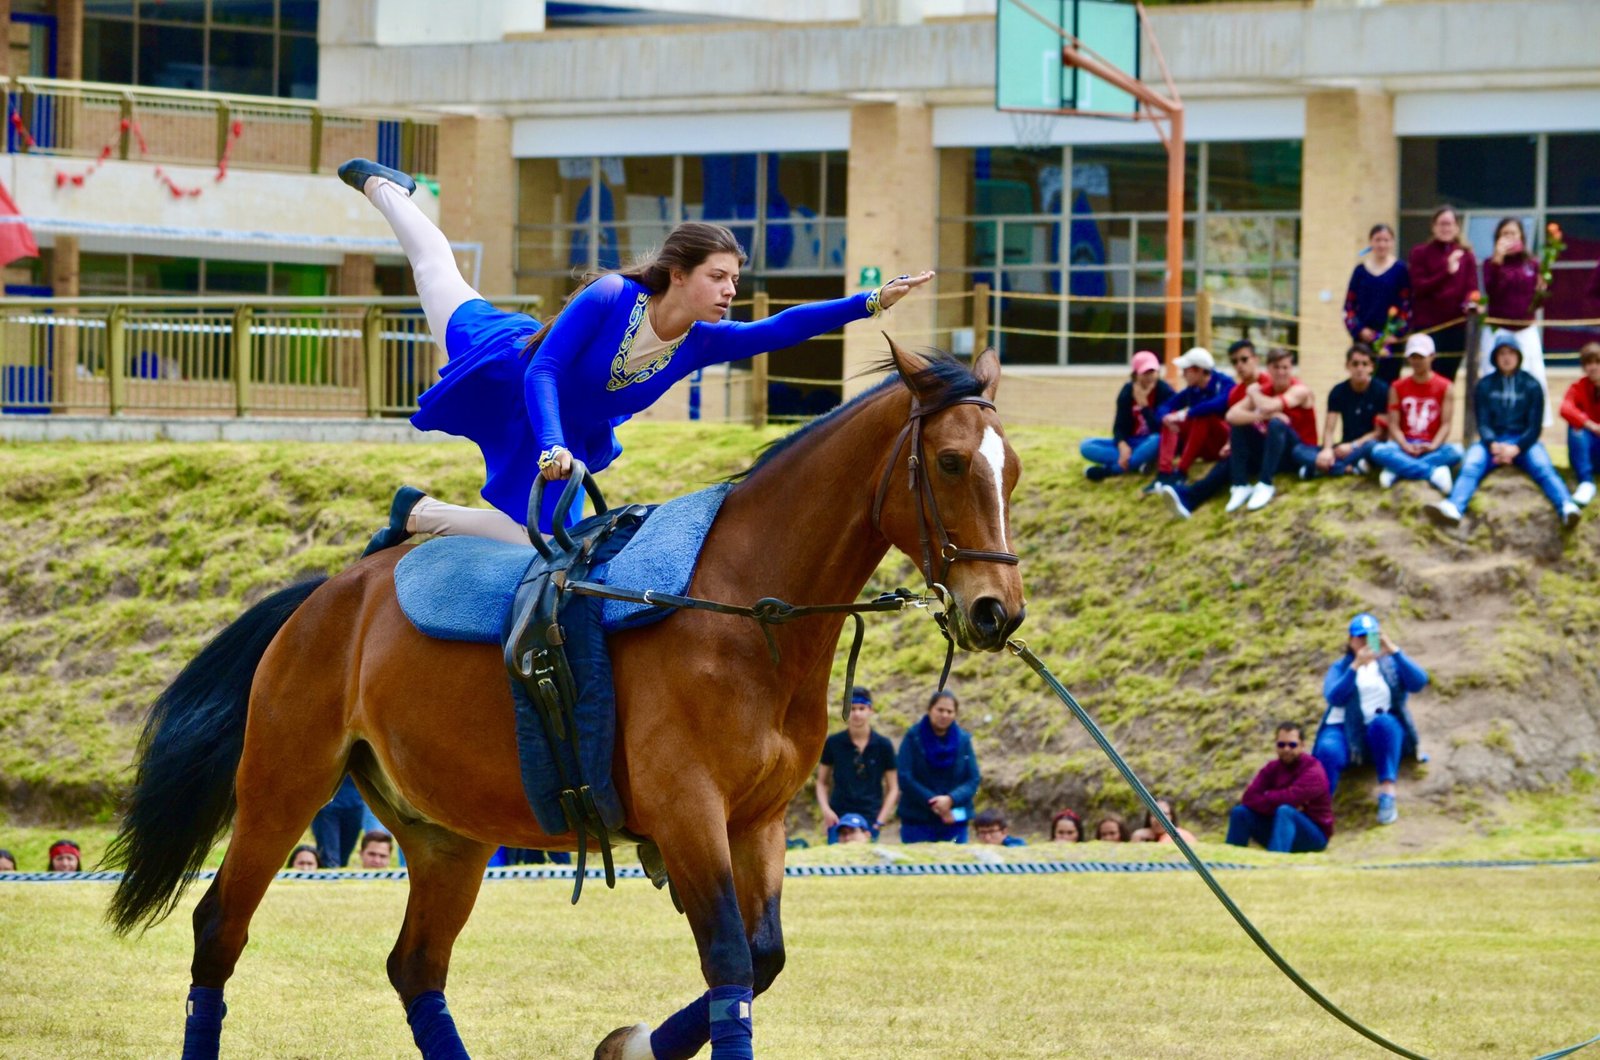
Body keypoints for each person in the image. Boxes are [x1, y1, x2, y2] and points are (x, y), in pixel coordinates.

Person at [338, 157, 933, 545]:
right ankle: (386, 188)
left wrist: (872, 301)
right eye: (719, 277)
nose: (731, 291)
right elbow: (543, 368)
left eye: (735, 280)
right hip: (509, 371)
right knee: (435, 268)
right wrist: (551, 443)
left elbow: (782, 328)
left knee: (550, 543)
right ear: (677, 274)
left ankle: (416, 515)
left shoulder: (699, 343)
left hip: (563, 438)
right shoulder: (610, 295)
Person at [1426, 333, 1580, 529]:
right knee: (1471, 464)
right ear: (1495, 357)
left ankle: (1566, 506)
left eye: (1511, 353)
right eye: (1502, 353)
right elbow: (1482, 422)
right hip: (1492, 442)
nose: (1507, 358)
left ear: (1518, 356)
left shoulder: (1532, 385)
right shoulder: (1484, 385)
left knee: (1543, 467)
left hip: (1524, 442)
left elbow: (1534, 426)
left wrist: (1516, 448)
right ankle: (1454, 507)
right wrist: (1493, 445)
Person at [1313, 613, 1427, 825]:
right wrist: (1355, 667)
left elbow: (1419, 682)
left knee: (1385, 723)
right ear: (1351, 640)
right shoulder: (1341, 667)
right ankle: (1318, 811)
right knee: (1328, 749)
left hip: (1379, 727)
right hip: (1345, 729)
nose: (1366, 642)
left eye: (1371, 637)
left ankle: (1387, 792)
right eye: (1360, 637)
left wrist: (1394, 651)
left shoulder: (1390, 664)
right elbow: (1334, 697)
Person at [1156, 342, 1270, 518]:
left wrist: (1185, 413)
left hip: (1268, 447)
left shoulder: (1240, 384)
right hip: (1237, 447)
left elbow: (1223, 409)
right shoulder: (1235, 391)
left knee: (1207, 421)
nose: (1239, 365)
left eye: (1244, 359)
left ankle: (1182, 478)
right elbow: (1167, 406)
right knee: (1224, 466)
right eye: (1234, 362)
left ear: (1256, 359)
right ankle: (1180, 490)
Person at [1221, 347, 1318, 512]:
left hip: (1300, 452)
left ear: (1291, 369)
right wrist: (1261, 417)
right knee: (1241, 426)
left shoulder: (1300, 389)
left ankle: (1265, 483)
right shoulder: (1265, 389)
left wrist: (1254, 394)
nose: (1281, 372)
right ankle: (1240, 485)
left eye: (1285, 367)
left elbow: (1270, 405)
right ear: (1269, 369)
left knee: (1276, 424)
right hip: (1275, 453)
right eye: (1276, 367)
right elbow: (1231, 415)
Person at [1479, 216, 1550, 427]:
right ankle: (1491, 425)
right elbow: (1492, 291)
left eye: (1513, 234)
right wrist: (1498, 261)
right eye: (1505, 234)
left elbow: (1536, 304)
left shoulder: (1533, 264)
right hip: (1498, 329)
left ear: (1522, 237)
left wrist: (1541, 293)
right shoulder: (1489, 264)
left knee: (1532, 376)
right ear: (1497, 239)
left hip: (1526, 330)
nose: (1509, 238)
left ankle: (1534, 426)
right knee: (1494, 377)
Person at [1369, 333, 1462, 493]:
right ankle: (1432, 473)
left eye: (1421, 356)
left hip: (1431, 444)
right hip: (1404, 443)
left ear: (1432, 357)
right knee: (1378, 450)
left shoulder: (1445, 386)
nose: (1417, 361)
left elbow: (1446, 424)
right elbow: (1393, 424)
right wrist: (1405, 445)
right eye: (1413, 356)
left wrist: (1433, 446)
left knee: (1457, 451)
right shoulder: (1397, 386)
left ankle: (1398, 468)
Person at [1225, 723, 1334, 853]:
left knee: (1285, 811)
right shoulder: (1272, 768)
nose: (1286, 749)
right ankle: (1231, 857)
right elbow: (1249, 797)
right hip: (1279, 826)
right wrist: (1279, 801)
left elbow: (1291, 798)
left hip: (1314, 835)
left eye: (1292, 745)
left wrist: (1268, 796)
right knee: (1240, 813)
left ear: (1302, 745)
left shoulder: (1314, 770)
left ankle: (1274, 860)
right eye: (1281, 745)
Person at [896, 689, 981, 844]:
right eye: (940, 710)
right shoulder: (913, 737)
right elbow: (904, 777)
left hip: (954, 819)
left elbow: (973, 779)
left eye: (950, 711)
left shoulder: (963, 740)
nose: (944, 715)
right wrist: (934, 802)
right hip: (917, 820)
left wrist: (950, 799)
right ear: (930, 710)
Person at [815, 686, 899, 843]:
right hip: (838, 816)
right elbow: (821, 782)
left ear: (870, 710)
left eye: (862, 708)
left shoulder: (883, 745)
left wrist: (880, 820)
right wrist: (826, 811)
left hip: (870, 816)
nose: (857, 713)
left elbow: (893, 787)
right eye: (852, 709)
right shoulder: (834, 743)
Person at [1151, 345, 1238, 491]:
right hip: (1202, 445)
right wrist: (1165, 418)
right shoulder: (1193, 389)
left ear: (1198, 370)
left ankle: (1181, 472)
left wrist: (1185, 414)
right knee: (1170, 420)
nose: (1182, 374)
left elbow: (1217, 404)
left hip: (1224, 443)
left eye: (1186, 370)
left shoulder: (1225, 383)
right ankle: (1164, 473)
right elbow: (1166, 406)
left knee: (1202, 416)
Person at [1407, 204, 1478, 381]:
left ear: (1456, 227)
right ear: (1434, 226)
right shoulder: (1420, 253)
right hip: (1429, 327)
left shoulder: (1466, 255)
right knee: (1426, 376)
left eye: (1449, 224)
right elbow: (1419, 287)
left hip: (1455, 327)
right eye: (1442, 224)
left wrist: (1471, 302)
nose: (1446, 228)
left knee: (1448, 378)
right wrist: (1446, 272)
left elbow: (1471, 287)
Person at [1080, 350, 1174, 480]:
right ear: (1135, 375)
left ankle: (1109, 471)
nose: (1150, 376)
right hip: (1131, 442)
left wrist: (1144, 407)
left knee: (1157, 439)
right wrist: (1122, 445)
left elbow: (1161, 429)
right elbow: (1119, 428)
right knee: (1086, 445)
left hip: (1151, 442)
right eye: (1145, 373)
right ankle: (1139, 462)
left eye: (1152, 372)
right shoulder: (1126, 392)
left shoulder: (1165, 391)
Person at [1309, 343, 1389, 479]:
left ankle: (1319, 469)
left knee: (1373, 447)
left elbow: (1379, 432)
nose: (1360, 369)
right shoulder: (1338, 391)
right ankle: (1350, 468)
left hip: (1366, 445)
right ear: (1347, 366)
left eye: (1364, 364)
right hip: (1343, 446)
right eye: (1355, 364)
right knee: (1299, 450)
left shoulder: (1381, 390)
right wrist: (1328, 449)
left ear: (1371, 367)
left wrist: (1353, 445)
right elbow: (1329, 429)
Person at [1344, 223, 1411, 380]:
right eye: (1378, 240)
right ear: (1371, 242)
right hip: (1363, 341)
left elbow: (1407, 305)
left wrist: (1396, 334)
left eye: (1386, 240)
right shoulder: (1360, 271)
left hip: (1390, 341)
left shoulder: (1401, 270)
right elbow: (1349, 306)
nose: (1382, 244)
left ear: (1392, 242)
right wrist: (1360, 330)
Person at [1559, 342, 1600, 507]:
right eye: (1589, 363)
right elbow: (1565, 409)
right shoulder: (1579, 387)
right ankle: (1586, 483)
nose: (1594, 367)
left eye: (1598, 362)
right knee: (1576, 428)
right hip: (1588, 449)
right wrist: (1591, 425)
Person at [311, 774, 367, 869]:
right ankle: (329, 880)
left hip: (355, 804)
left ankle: (337, 880)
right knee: (330, 859)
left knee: (344, 857)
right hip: (326, 807)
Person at [1129, 799, 1196, 845]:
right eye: (1154, 813)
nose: (1158, 818)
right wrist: (1137, 837)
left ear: (1172, 816)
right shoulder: (1150, 836)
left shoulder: (1179, 835)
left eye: (1164, 814)